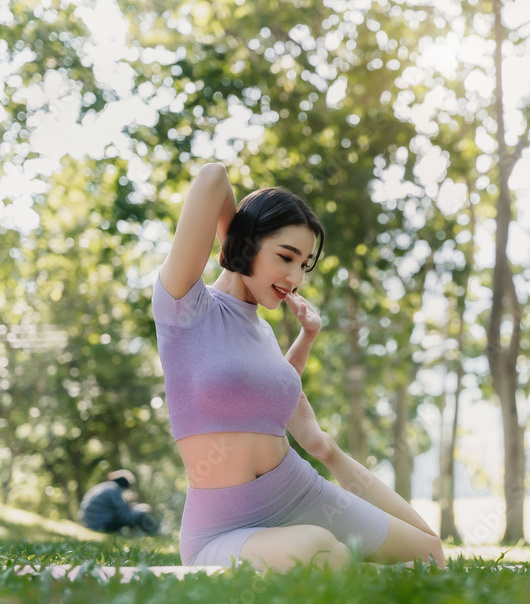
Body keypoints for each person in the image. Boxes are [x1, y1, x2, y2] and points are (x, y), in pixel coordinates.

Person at [152, 163, 444, 571]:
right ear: (249, 244)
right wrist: (236, 246)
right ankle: (350, 570)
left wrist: (323, 445)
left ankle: (349, 565)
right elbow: (212, 177)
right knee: (318, 548)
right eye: (285, 257)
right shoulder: (185, 306)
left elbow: (268, 392)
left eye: (304, 264)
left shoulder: (264, 333)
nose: (294, 277)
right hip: (222, 528)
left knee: (429, 555)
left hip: (297, 490)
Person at [78, 469, 160, 535]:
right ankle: (155, 532)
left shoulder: (105, 486)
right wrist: (140, 508)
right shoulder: (114, 490)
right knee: (139, 514)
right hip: (100, 524)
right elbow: (124, 516)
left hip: (88, 522)